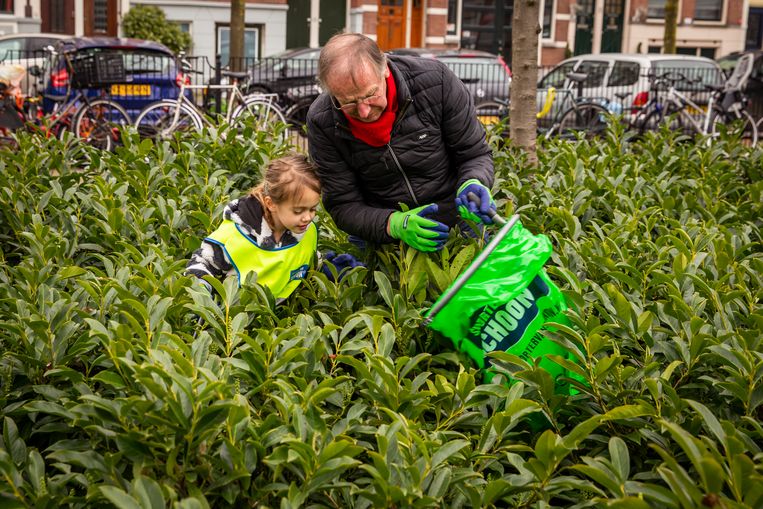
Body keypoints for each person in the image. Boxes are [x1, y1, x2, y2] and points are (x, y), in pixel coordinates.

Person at [306, 33, 497, 253]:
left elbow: (474, 154)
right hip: (384, 237)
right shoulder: (322, 120)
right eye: (348, 102)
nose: (364, 111)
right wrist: (393, 224)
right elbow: (343, 204)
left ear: (384, 68)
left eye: (370, 95)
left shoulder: (436, 82)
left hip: (457, 221)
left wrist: (473, 182)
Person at [186, 153, 362, 300]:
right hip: (235, 324)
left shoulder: (305, 232)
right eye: (298, 210)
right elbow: (201, 265)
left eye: (313, 209)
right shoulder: (234, 235)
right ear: (271, 204)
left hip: (280, 322)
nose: (308, 217)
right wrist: (201, 298)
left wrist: (335, 267)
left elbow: (305, 259)